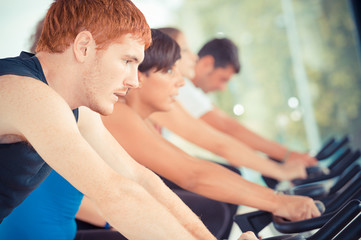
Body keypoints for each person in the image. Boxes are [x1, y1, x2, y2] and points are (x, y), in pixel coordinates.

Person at [0, 1, 218, 239]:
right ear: (84, 47)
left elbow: (139, 179)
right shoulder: (25, 93)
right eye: (127, 61)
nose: (134, 81)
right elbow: (116, 194)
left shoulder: (73, 107)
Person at [98, 25, 321, 236]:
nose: (192, 60)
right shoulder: (117, 112)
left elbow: (189, 163)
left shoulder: (140, 109)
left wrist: (278, 196)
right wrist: (279, 195)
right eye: (169, 69)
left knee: (212, 207)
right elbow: (196, 169)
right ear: (138, 74)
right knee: (212, 212)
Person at [150, 28, 317, 175]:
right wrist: (286, 157)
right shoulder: (182, 89)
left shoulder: (185, 89)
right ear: (208, 64)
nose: (223, 88)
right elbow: (227, 129)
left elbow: (226, 125)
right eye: (223, 79)